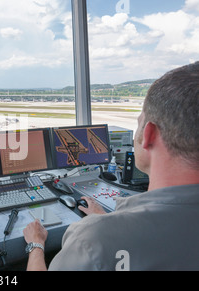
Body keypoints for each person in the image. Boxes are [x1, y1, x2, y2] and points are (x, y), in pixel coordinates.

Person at [23, 62, 199, 271]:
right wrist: (109, 221)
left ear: (149, 134)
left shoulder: (92, 240)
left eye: (139, 122)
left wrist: (36, 244)